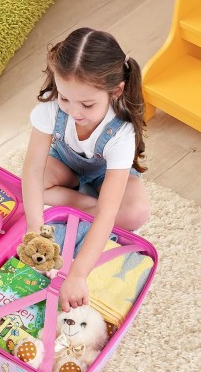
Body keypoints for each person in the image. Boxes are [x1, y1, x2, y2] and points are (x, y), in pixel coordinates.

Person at [22, 27, 150, 312]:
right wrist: (34, 229)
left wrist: (77, 275)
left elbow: (107, 213)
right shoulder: (50, 108)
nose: (74, 112)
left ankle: (81, 201)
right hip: (66, 164)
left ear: (116, 91)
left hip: (106, 174)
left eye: (87, 104)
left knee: (135, 213)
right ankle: (86, 200)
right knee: (30, 186)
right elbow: (32, 170)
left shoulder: (121, 132)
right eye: (65, 98)